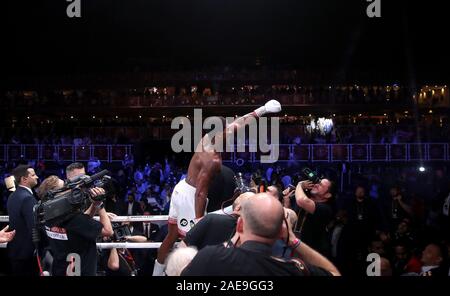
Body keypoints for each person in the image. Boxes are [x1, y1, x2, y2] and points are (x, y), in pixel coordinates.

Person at [154, 100, 282, 275]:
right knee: (192, 243)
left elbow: (240, 122)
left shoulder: (211, 137)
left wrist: (262, 110)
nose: (229, 133)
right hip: (190, 196)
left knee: (171, 235)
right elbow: (200, 192)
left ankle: (156, 272)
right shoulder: (212, 158)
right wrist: (200, 221)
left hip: (183, 187)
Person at [181, 193, 340, 276]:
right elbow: (334, 273)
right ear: (281, 231)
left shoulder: (210, 257)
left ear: (240, 224)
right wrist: (292, 240)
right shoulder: (293, 270)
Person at [37, 175, 114, 276]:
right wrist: (100, 205)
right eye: (64, 186)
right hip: (80, 270)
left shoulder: (44, 215)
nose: (69, 189)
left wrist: (94, 203)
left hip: (61, 268)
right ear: (56, 194)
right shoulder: (72, 219)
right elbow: (108, 231)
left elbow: (82, 222)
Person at [6, 165, 39, 275]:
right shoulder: (27, 198)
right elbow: (33, 226)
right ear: (24, 179)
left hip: (15, 250)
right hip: (27, 254)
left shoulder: (12, 196)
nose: (37, 177)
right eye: (33, 175)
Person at [292, 178, 335, 256]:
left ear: (327, 195)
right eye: (318, 182)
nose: (316, 184)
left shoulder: (326, 209)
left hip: (311, 252)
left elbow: (301, 200)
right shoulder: (307, 198)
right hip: (295, 246)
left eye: (321, 185)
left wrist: (299, 185)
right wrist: (286, 200)